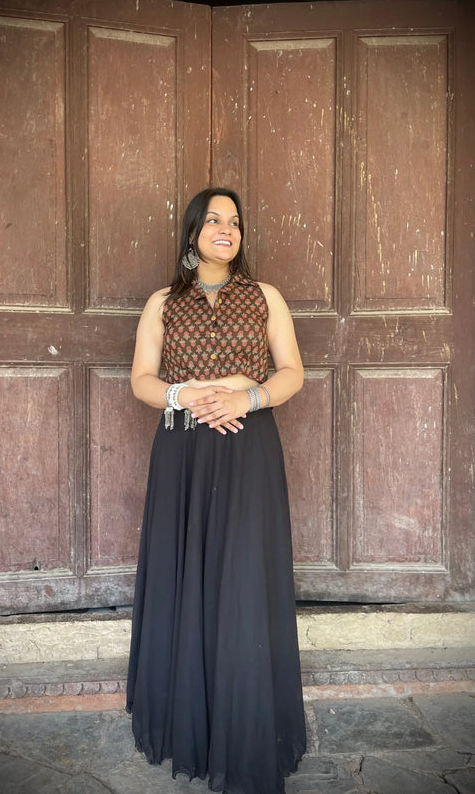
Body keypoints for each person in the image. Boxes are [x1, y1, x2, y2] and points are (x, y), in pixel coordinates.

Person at [126, 188, 307, 794]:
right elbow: (143, 381)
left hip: (247, 451)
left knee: (242, 578)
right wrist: (192, 394)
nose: (225, 229)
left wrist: (243, 396)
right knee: (188, 575)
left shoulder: (265, 298)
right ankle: (189, 727)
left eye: (234, 221)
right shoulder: (161, 303)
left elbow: (292, 373)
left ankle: (246, 721)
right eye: (213, 220)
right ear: (192, 232)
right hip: (183, 453)